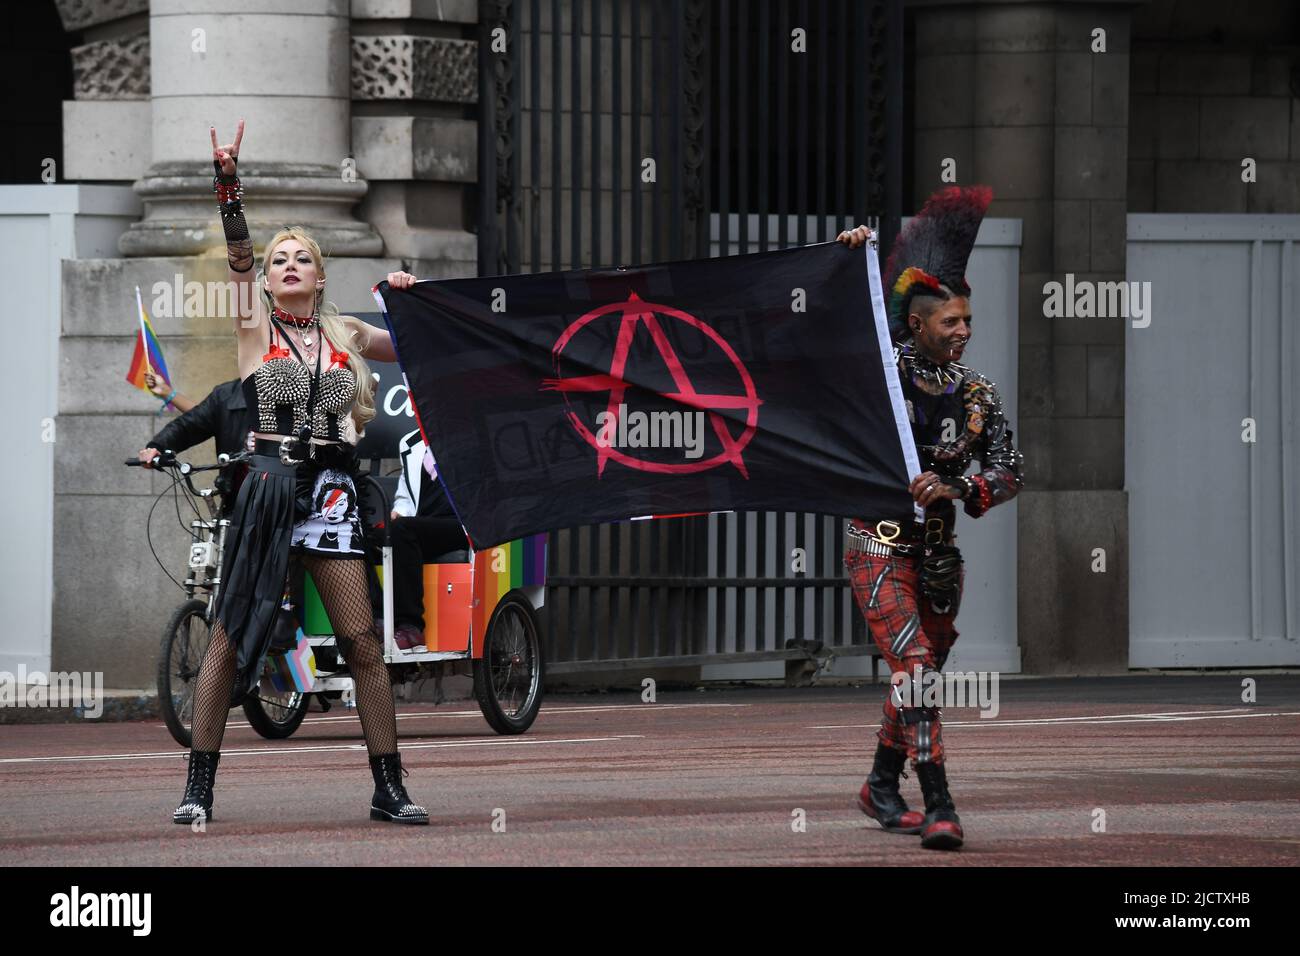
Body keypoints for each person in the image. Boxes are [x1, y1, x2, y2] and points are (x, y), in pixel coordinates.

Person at [172, 119, 428, 826]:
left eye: (299, 259)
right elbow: (236, 257)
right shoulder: (256, 326)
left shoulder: (346, 334)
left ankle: (389, 786)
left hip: (332, 494)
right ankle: (198, 789)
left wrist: (412, 291)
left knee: (360, 640)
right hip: (267, 490)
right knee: (229, 632)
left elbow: (414, 341)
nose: (285, 266)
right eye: (278, 258)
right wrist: (229, 184)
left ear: (319, 276)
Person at [836, 185, 1023, 851]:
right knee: (914, 665)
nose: (965, 331)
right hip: (876, 545)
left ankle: (880, 785)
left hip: (941, 559)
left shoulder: (979, 393)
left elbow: (1011, 472)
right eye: (951, 322)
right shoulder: (878, 372)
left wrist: (963, 488)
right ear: (916, 325)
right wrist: (847, 260)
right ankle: (939, 802)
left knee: (918, 677)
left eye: (969, 321)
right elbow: (832, 334)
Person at [388, 428, 469, 651]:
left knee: (404, 530)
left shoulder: (474, 429)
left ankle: (410, 626)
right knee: (363, 534)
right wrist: (399, 512)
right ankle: (376, 618)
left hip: (463, 524)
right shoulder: (411, 442)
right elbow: (405, 496)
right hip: (424, 525)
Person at [136, 378, 250, 508]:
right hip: (236, 502)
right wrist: (157, 447)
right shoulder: (227, 394)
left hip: (276, 500)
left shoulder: (277, 395)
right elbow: (190, 424)